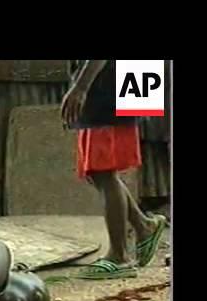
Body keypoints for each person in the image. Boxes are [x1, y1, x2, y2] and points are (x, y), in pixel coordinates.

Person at [61, 60, 167, 280]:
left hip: (116, 76)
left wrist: (81, 87)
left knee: (102, 170)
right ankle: (143, 226)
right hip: (131, 71)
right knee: (97, 171)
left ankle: (119, 256)